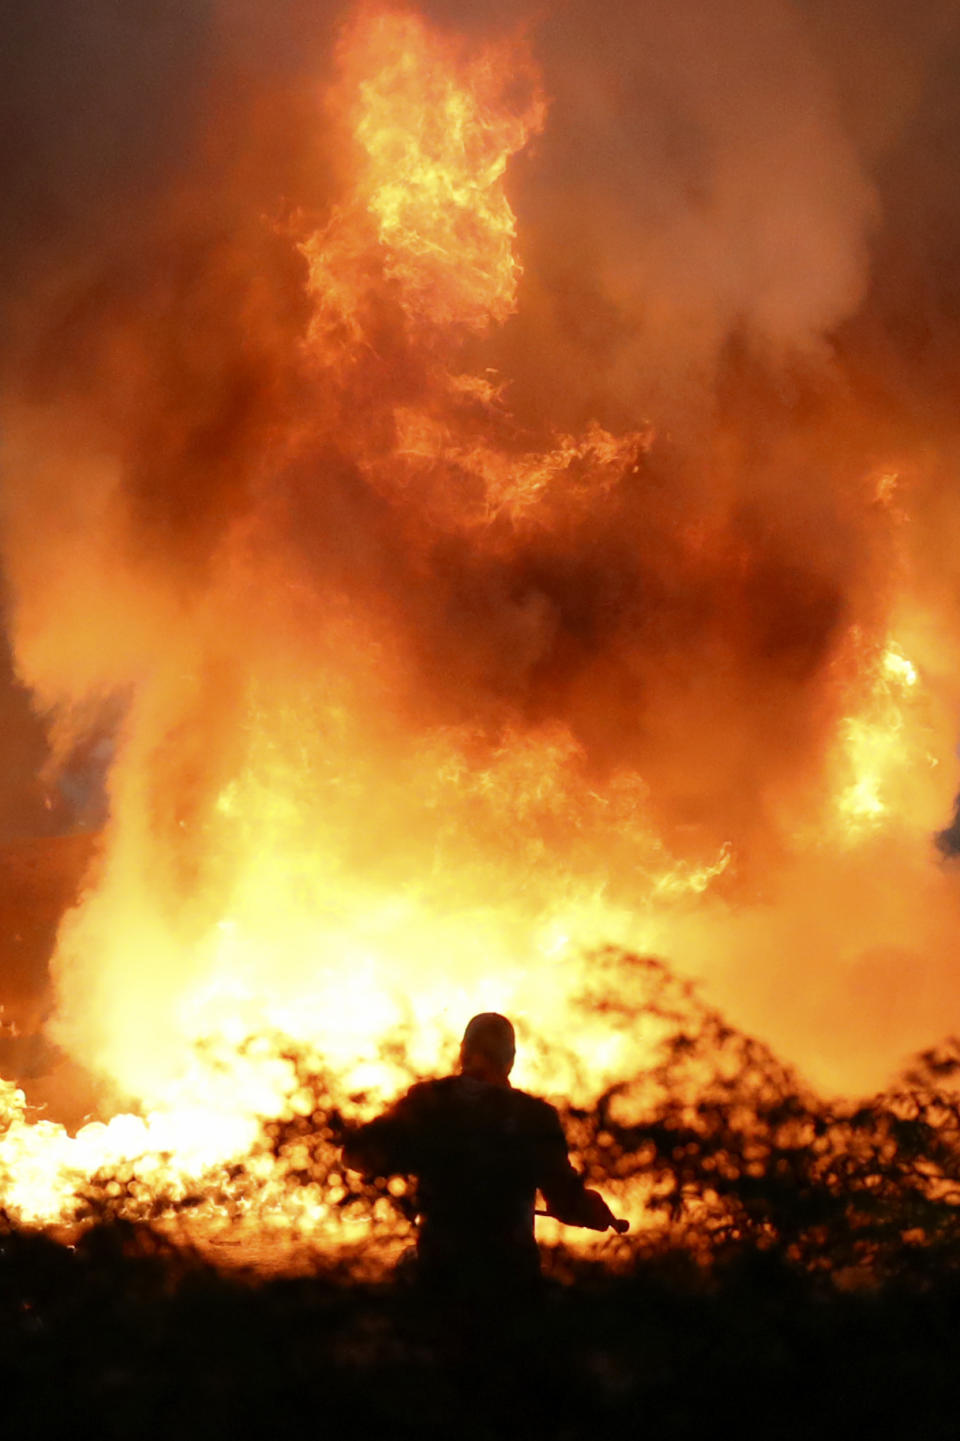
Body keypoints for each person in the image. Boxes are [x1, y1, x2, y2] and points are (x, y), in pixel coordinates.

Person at [342, 1012, 627, 1296]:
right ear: (511, 1060)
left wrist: (408, 1162)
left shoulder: (426, 1103)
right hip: (512, 1279)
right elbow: (567, 1202)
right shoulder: (535, 1117)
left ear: (462, 1052)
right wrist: (594, 1212)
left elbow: (356, 1154)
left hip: (439, 1275)